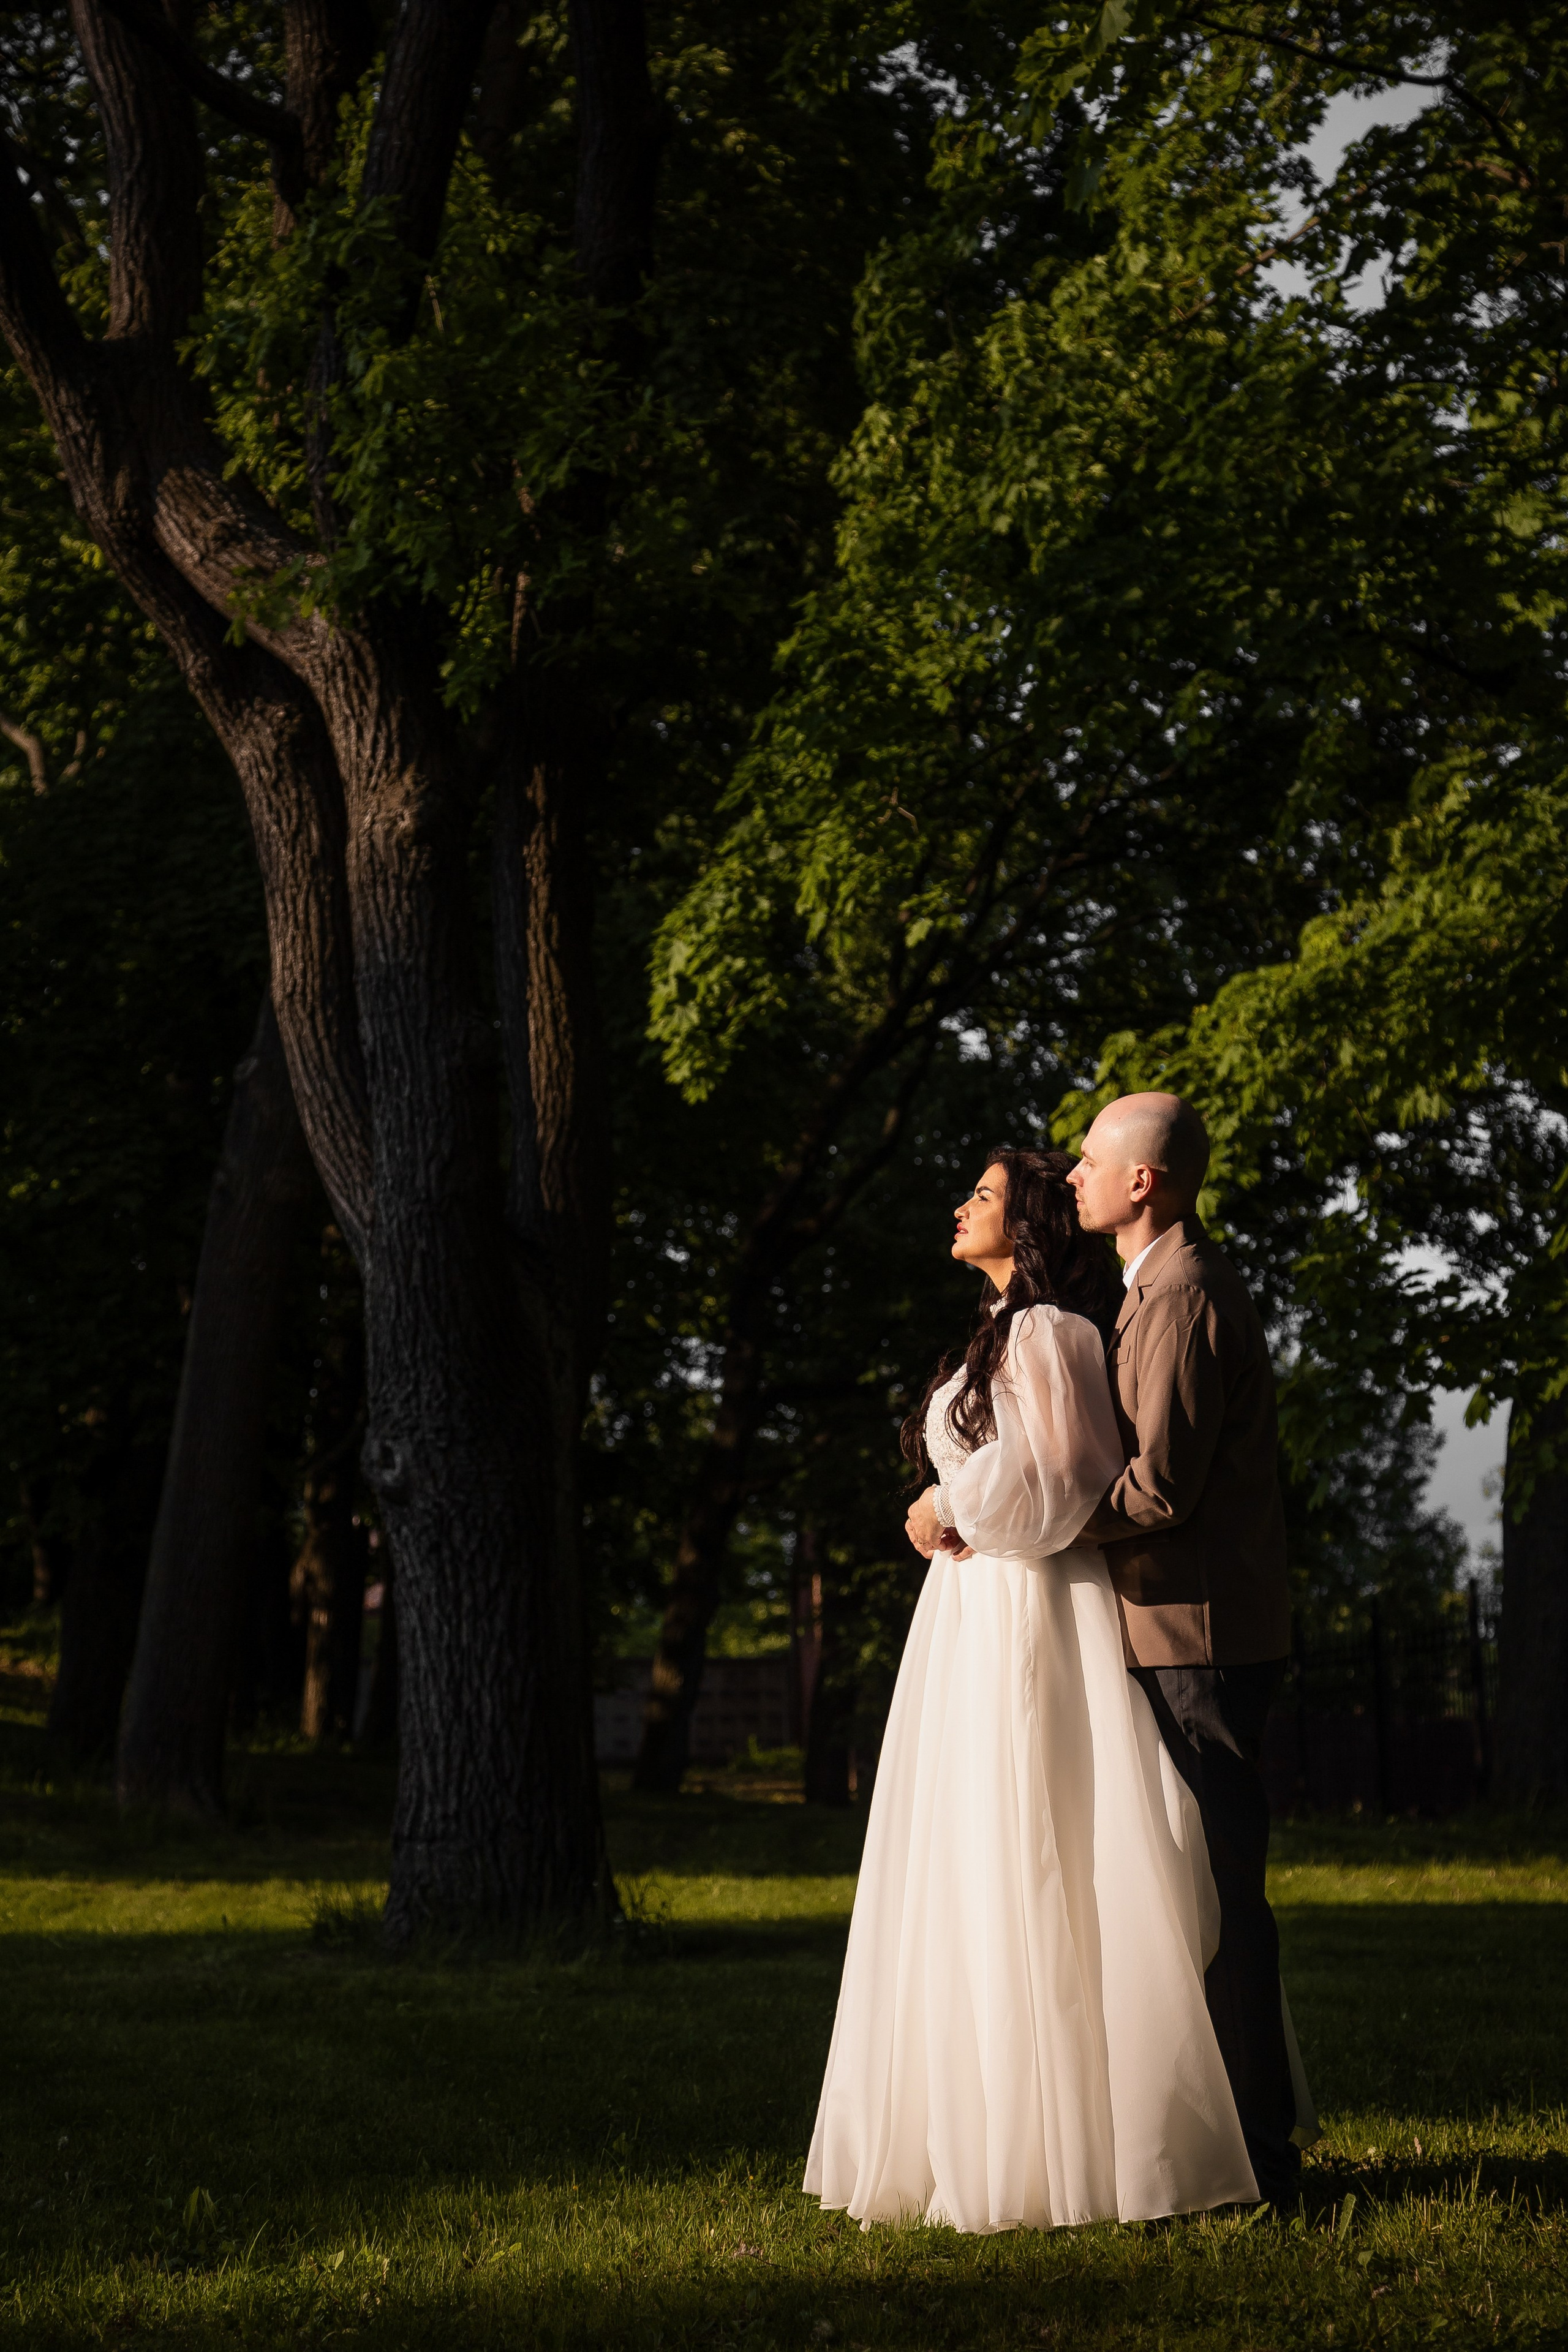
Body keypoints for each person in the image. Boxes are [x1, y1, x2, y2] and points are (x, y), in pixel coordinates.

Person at [804, 1147, 1259, 2233]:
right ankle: (971, 2120)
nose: (961, 1205)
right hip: (968, 1616)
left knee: (1034, 1837)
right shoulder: (1002, 1337)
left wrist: (945, 1505)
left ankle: (1068, 2143)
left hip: (1030, 1610)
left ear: (1032, 1225)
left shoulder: (1056, 1334)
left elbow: (1061, 1481)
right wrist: (946, 1502)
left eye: (986, 1195)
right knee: (965, 1851)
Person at [1066, 1091, 1300, 2207]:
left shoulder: (1182, 1294)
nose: (1073, 1174)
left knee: (1218, 1900)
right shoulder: (1154, 1290)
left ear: (1143, 1182)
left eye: (1090, 1159)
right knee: (1196, 1894)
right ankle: (1228, 2148)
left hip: (1196, 1639)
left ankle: (1261, 2158)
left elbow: (1158, 1488)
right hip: (1177, 1631)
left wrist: (1035, 1518)